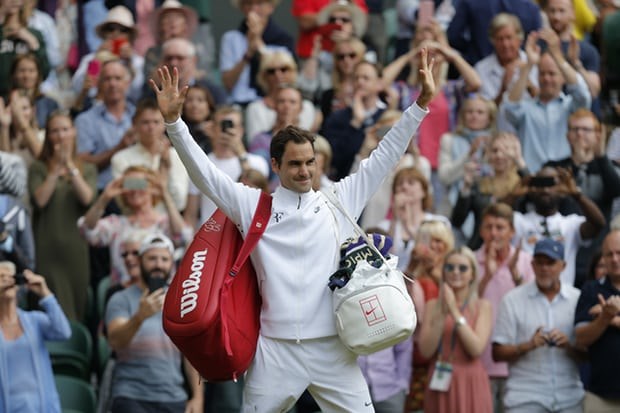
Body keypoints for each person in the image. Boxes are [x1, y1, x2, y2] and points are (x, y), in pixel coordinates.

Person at [149, 46, 435, 411]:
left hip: (333, 347)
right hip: (274, 350)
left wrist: (420, 105)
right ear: (275, 164)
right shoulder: (253, 204)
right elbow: (204, 174)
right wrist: (174, 124)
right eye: (295, 164)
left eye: (310, 163)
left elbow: (385, 155)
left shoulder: (339, 198)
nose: (304, 171)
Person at [105, 233, 203, 412]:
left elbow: (191, 355)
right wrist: (139, 317)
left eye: (164, 259)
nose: (158, 264)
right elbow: (115, 341)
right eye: (152, 258)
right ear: (140, 260)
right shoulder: (120, 298)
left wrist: (197, 397)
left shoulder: (182, 301)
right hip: (131, 395)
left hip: (173, 396)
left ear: (172, 264)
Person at [493, 238, 584, 412]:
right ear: (532, 265)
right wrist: (528, 345)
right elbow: (497, 353)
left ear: (563, 266)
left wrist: (568, 346)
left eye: (550, 263)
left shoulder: (577, 299)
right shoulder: (512, 300)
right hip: (525, 398)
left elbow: (589, 355)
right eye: (540, 263)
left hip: (569, 398)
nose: (544, 269)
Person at [29, 111, 97, 321]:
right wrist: (55, 168)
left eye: (65, 129)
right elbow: (40, 200)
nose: (60, 135)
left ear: (74, 132)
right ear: (48, 136)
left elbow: (87, 198)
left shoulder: (87, 168)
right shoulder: (38, 167)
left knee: (75, 304)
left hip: (75, 248)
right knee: (48, 302)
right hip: (46, 248)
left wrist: (70, 167)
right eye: (55, 131)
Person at [79, 166, 191, 285]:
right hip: (124, 293)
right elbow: (86, 231)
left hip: (161, 293)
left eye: (140, 184)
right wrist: (105, 197)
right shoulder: (117, 224)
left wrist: (165, 195)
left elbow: (184, 237)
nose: (134, 190)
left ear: (152, 188)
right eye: (129, 185)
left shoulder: (165, 223)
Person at [502, 29, 591, 172]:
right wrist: (529, 65)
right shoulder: (526, 108)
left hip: (565, 179)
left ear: (562, 77)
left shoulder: (570, 107)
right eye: (542, 73)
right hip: (531, 179)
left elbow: (583, 94)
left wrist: (558, 57)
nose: (546, 79)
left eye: (552, 74)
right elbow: (509, 107)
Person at [417, 246, 493, 413]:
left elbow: (476, 348)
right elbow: (426, 351)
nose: (455, 272)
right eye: (450, 267)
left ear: (472, 273)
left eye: (463, 268)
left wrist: (453, 309)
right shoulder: (432, 306)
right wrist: (443, 312)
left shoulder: (482, 306)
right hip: (440, 379)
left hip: (470, 381)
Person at [475, 203, 535, 412]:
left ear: (512, 232)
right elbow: (466, 308)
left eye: (499, 227)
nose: (493, 233)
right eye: (488, 227)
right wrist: (487, 276)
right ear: (481, 231)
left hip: (517, 363)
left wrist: (515, 275)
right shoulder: (470, 261)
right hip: (480, 363)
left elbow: (534, 306)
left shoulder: (527, 262)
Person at [511, 166, 605, 287]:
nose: (545, 189)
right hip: (525, 295)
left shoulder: (570, 224)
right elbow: (492, 217)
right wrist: (513, 196)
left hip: (563, 299)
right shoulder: (519, 221)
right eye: (540, 184)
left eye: (551, 184)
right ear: (532, 188)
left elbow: (598, 223)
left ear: (561, 190)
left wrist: (577, 195)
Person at [0, 262, 71, 413]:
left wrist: (45, 293)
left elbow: (64, 332)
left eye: (9, 276)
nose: (6, 280)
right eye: (0, 277)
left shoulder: (34, 320)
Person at [184, 105, 268, 230]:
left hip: (246, 234)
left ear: (241, 130)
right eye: (222, 125)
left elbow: (257, 200)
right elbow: (191, 214)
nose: (227, 130)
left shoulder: (258, 163)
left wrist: (240, 153)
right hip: (211, 236)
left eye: (232, 125)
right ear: (212, 129)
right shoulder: (201, 164)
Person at [452, 132, 528, 250]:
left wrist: (520, 162)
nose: (499, 155)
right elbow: (457, 221)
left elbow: (536, 197)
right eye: (494, 150)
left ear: (515, 153)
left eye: (506, 150)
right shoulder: (479, 183)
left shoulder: (523, 184)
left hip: (515, 250)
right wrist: (466, 186)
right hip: (480, 248)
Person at [111, 99, 190, 211]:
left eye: (156, 122)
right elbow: (125, 200)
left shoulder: (177, 156)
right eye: (145, 122)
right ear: (134, 124)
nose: (151, 127)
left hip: (170, 222)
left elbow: (180, 201)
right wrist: (161, 175)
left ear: (164, 124)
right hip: (135, 223)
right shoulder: (120, 158)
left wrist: (167, 167)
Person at [574, 229, 620, 412]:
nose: (615, 259)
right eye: (609, 254)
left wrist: (614, 320)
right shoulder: (591, 290)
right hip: (600, 396)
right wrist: (605, 317)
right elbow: (581, 338)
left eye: (619, 253)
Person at [75, 59, 135, 192]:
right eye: (107, 79)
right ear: (99, 84)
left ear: (127, 83)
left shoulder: (138, 116)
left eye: (118, 78)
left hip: (137, 188)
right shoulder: (85, 120)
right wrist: (118, 149)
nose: (112, 84)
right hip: (103, 190)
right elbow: (82, 164)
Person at [220, 0, 295, 105]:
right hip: (238, 103)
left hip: (273, 105)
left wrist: (258, 43)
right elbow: (228, 83)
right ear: (242, 8)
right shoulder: (230, 38)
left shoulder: (283, 39)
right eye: (248, 3)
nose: (253, 9)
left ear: (271, 7)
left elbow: (286, 79)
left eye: (259, 3)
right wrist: (248, 54)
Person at [246, 51, 321, 140]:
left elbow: (308, 143)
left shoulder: (307, 107)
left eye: (284, 69)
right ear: (263, 76)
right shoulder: (255, 108)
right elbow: (255, 143)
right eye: (271, 71)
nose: (278, 74)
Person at [0, 0, 50, 97]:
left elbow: (44, 71)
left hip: (26, 98)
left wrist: (33, 43)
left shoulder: (34, 34)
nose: (13, 1)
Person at [9, 53, 59, 129]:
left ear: (38, 74)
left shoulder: (49, 104)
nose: (26, 75)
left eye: (31, 71)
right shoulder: (6, 103)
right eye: (22, 70)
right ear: (13, 74)